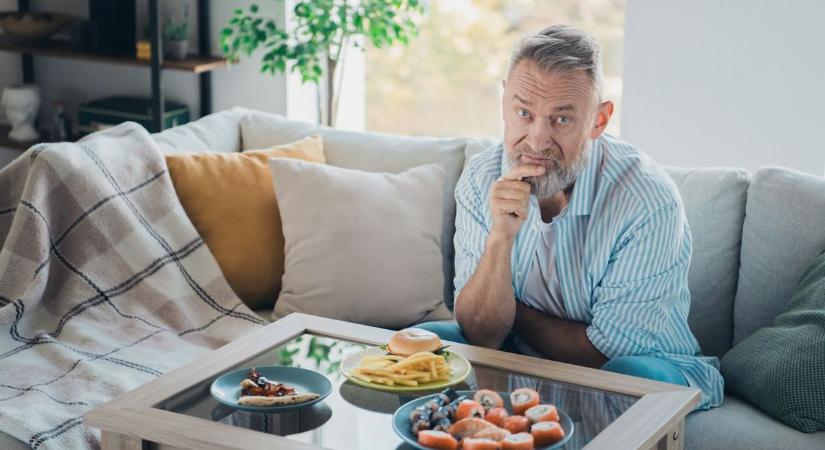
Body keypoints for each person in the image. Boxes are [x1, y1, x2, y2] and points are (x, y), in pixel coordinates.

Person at [416, 24, 723, 410]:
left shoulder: (647, 201)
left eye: (561, 119)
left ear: (599, 120)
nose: (538, 140)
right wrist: (500, 237)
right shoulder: (481, 177)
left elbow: (605, 353)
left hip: (651, 366)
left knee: (628, 377)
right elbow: (480, 333)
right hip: (518, 351)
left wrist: (513, 315)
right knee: (420, 345)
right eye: (524, 113)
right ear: (504, 103)